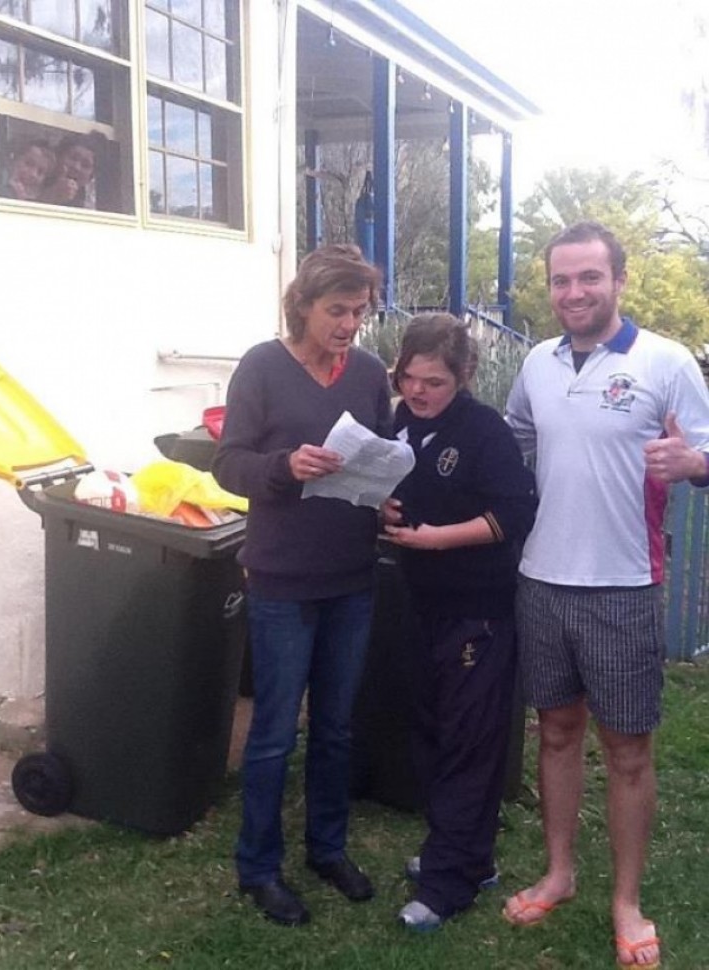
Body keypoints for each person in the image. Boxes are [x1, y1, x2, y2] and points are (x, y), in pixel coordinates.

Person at [503, 221, 709, 969]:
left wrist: (695, 461)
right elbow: (515, 437)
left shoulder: (665, 362)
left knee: (627, 751)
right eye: (561, 280)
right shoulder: (535, 363)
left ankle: (627, 901)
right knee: (555, 733)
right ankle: (559, 873)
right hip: (541, 580)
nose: (574, 292)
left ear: (619, 280)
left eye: (589, 277)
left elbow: (707, 448)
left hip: (623, 586)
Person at [212, 243, 392, 927]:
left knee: (338, 729)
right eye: (335, 311)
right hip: (283, 579)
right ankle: (258, 868)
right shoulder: (262, 366)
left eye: (358, 311)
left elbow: (380, 454)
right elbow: (229, 464)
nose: (348, 324)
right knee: (273, 735)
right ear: (303, 306)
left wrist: (387, 495)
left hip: (352, 574)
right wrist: (287, 465)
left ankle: (328, 849)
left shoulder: (370, 373)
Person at [381, 313, 537, 931]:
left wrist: (438, 539)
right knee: (435, 732)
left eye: (434, 382)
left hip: (478, 610)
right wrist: (387, 507)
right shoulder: (401, 424)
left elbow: (515, 513)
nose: (418, 392)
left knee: (469, 745)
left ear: (465, 376)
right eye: (409, 378)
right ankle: (470, 856)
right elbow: (402, 494)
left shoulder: (484, 432)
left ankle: (448, 886)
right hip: (422, 605)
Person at [41, 133, 99, 207]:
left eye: (85, 165)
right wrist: (51, 195)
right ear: (58, 157)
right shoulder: (33, 180)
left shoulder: (85, 206)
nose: (76, 167)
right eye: (73, 158)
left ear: (90, 177)